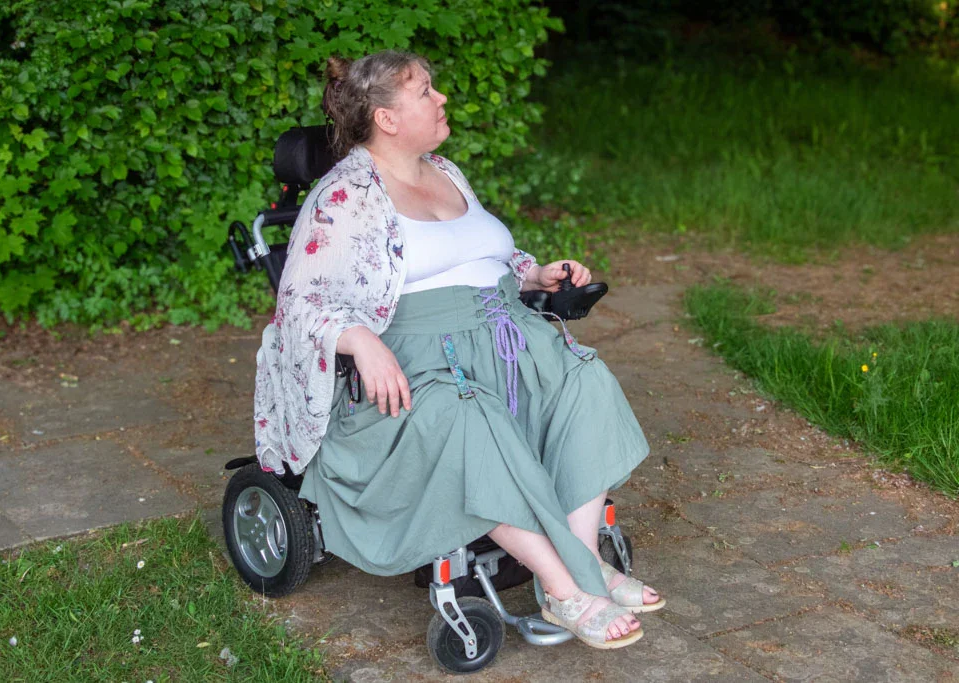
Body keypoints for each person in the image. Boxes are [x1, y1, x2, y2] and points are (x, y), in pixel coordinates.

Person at [253, 50, 659, 649]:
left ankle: (583, 563)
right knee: (468, 418)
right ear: (387, 118)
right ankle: (566, 589)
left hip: (504, 337)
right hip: (421, 362)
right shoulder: (345, 197)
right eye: (425, 92)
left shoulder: (444, 170)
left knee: (585, 380)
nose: (441, 98)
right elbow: (301, 304)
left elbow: (489, 253)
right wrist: (360, 340)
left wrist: (535, 274)